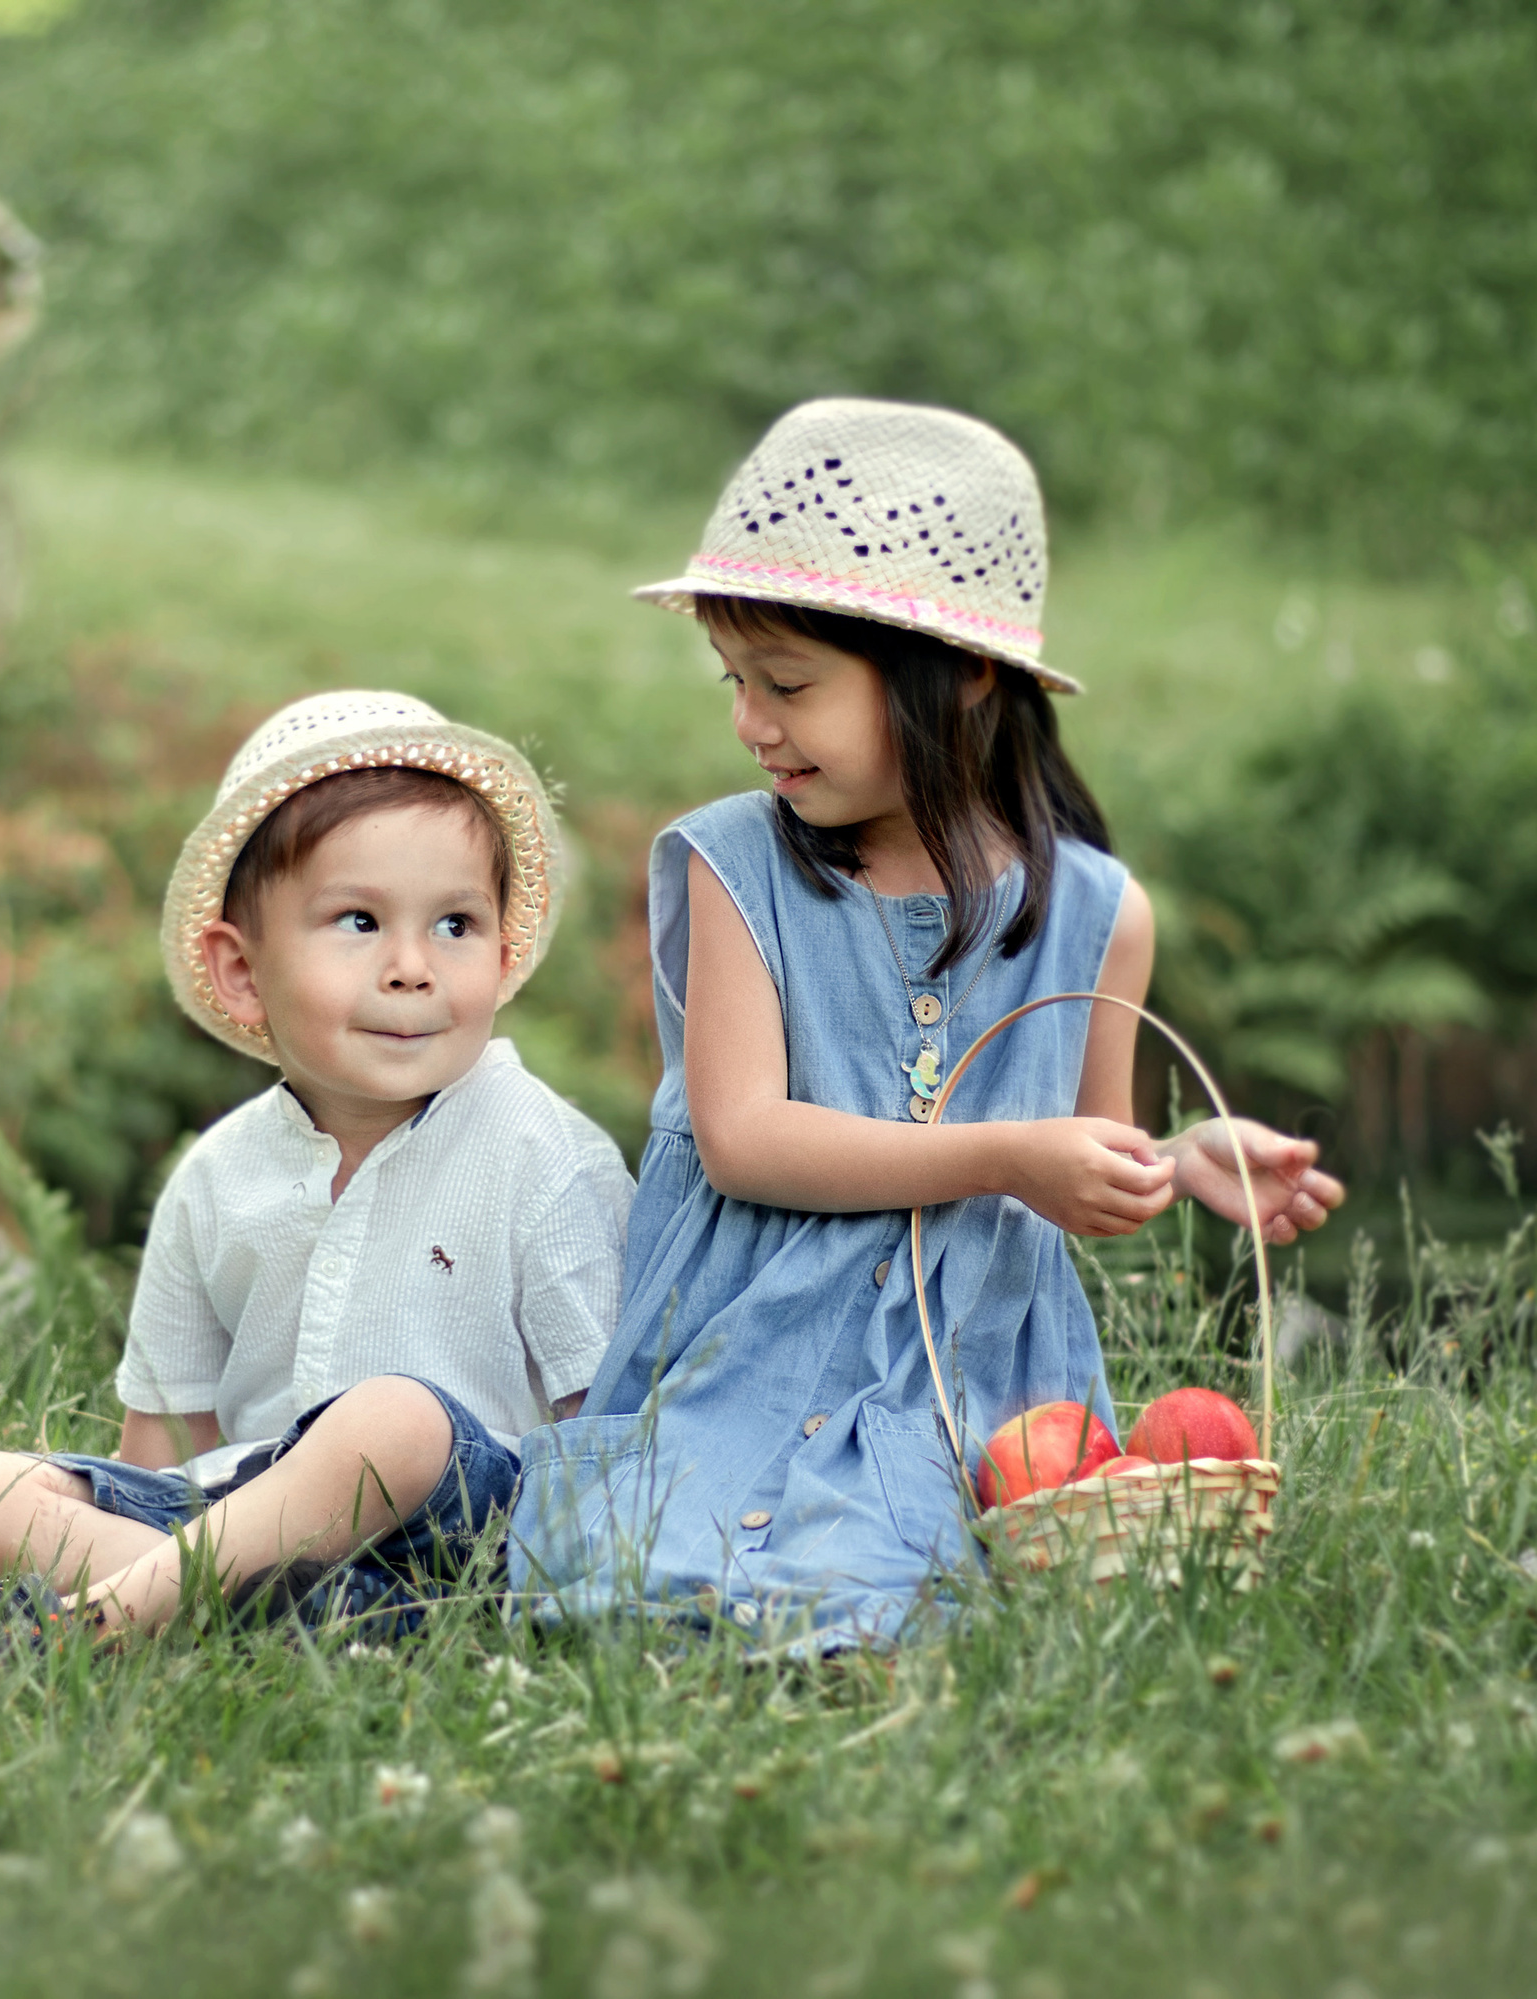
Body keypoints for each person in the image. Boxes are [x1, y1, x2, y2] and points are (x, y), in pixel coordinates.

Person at [510, 399, 1343, 1647]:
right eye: (736, 680)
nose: (749, 722)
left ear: (958, 680)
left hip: (971, 1372)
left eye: (787, 683)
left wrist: (1174, 1162)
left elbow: (1079, 1144)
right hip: (753, 1337)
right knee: (650, 1567)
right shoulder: (734, 865)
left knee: (919, 1582)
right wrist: (1006, 1154)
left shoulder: (1098, 913)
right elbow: (745, 1138)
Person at [0, 690, 632, 1666]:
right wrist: (157, 1520)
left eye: (455, 925)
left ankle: (96, 1626)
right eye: (359, 920)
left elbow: (614, 1436)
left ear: (503, 957)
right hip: (249, 1521)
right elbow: (163, 1449)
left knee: (391, 1415)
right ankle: (288, 1633)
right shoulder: (217, 1176)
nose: (412, 966)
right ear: (242, 973)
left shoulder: (543, 1153)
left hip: (466, 1537)